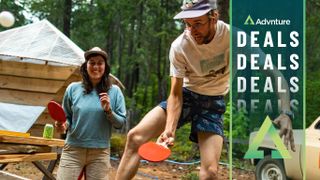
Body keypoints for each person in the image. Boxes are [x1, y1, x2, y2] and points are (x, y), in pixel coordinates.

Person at [116, 0, 294, 179]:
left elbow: (274, 72)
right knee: (134, 137)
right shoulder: (180, 46)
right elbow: (175, 94)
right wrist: (169, 128)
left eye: (198, 23)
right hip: (186, 95)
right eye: (187, 24)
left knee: (210, 173)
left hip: (213, 102)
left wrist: (286, 112)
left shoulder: (235, 38)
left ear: (214, 17)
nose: (192, 31)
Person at [56, 47, 126, 180]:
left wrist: (108, 111)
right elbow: (67, 118)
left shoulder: (115, 92)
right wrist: (63, 125)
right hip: (73, 150)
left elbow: (120, 123)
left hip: (100, 153)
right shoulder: (73, 89)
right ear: (85, 66)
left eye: (100, 63)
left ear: (105, 67)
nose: (96, 66)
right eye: (92, 62)